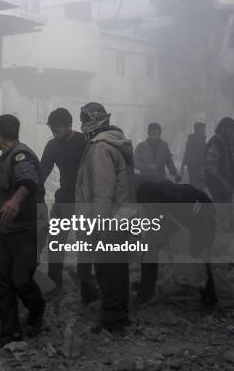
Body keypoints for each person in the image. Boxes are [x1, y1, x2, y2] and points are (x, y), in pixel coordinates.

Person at [0, 114, 46, 349]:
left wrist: (15, 201)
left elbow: (28, 181)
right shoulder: (5, 158)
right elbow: (4, 192)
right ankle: (10, 331)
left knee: (20, 280)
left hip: (27, 229)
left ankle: (37, 309)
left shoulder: (21, 155)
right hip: (5, 229)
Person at [75, 102, 134, 333]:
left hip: (108, 220)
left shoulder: (100, 148)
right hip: (122, 217)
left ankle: (113, 320)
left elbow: (102, 191)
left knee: (107, 270)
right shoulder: (117, 142)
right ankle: (120, 315)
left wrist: (97, 226)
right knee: (118, 270)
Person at [135, 179, 218, 309]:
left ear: (155, 201)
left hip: (203, 218)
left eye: (147, 207)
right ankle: (146, 293)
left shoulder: (183, 199)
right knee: (150, 246)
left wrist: (201, 245)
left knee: (198, 256)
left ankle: (209, 299)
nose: (147, 211)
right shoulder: (155, 196)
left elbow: (204, 219)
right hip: (175, 216)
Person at [39, 108, 95, 301]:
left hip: (84, 200)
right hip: (63, 200)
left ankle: (84, 281)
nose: (56, 134)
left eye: (59, 130)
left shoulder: (85, 142)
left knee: (85, 243)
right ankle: (55, 283)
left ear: (70, 126)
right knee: (55, 242)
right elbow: (42, 173)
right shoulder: (52, 145)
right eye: (53, 131)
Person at [181, 122, 206, 190]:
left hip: (197, 166)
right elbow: (188, 152)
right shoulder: (196, 140)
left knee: (197, 185)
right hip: (196, 166)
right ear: (198, 130)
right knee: (196, 186)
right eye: (203, 129)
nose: (204, 131)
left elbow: (186, 152)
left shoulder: (200, 139)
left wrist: (183, 163)